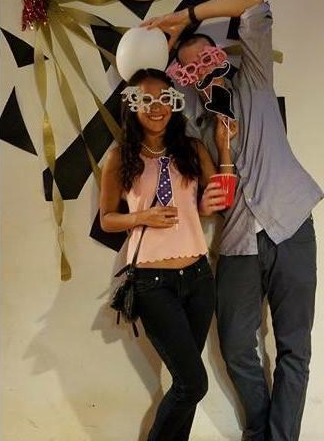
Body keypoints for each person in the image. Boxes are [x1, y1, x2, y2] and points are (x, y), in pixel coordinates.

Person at [141, 0, 324, 441]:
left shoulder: (255, 80)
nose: (201, 72)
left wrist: (187, 17)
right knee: (237, 346)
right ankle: (261, 432)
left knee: (294, 347)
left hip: (291, 224)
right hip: (239, 240)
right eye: (190, 69)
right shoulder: (194, 124)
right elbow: (153, 94)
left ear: (221, 58)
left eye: (207, 60)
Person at [100, 68, 236, 441]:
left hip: (198, 278)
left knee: (185, 384)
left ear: (174, 104)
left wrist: (223, 149)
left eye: (164, 98)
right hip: (152, 284)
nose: (156, 106)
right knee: (193, 384)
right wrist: (141, 217)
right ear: (132, 105)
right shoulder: (119, 158)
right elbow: (107, 219)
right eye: (146, 99)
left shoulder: (191, 149)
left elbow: (221, 197)